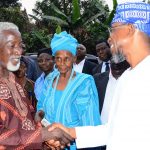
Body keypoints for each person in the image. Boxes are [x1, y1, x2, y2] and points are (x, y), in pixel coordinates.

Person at [49, 1, 150, 150]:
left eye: (113, 29)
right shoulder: (127, 77)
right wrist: (70, 132)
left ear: (129, 29)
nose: (109, 38)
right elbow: (115, 130)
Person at [0, 22, 73, 149]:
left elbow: (25, 124)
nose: (19, 52)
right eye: (12, 45)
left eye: (20, 45)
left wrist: (39, 123)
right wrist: (42, 135)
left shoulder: (14, 81)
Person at [35, 31, 101, 150]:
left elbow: (90, 120)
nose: (62, 63)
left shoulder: (84, 82)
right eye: (58, 59)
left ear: (74, 58)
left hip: (73, 145)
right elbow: (41, 106)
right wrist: (39, 114)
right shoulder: (50, 79)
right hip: (50, 144)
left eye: (67, 59)